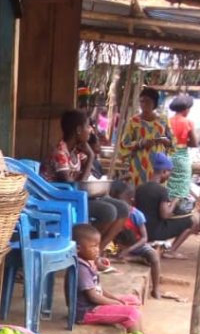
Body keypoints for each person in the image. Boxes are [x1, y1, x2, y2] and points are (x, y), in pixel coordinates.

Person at [41, 109, 129, 254]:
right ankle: (83, 250)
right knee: (108, 212)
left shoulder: (76, 151)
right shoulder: (60, 152)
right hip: (59, 199)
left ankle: (96, 253)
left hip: (75, 196)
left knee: (123, 208)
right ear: (78, 130)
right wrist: (91, 157)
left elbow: (86, 177)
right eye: (88, 126)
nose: (91, 131)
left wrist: (89, 157)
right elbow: (73, 186)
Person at [73, 223, 143, 332]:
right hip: (87, 312)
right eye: (93, 246)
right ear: (78, 248)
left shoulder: (89, 262)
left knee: (133, 300)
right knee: (131, 313)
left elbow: (98, 289)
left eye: (98, 245)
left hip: (94, 304)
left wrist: (115, 298)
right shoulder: (82, 269)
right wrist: (116, 304)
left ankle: (131, 326)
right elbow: (93, 297)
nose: (97, 250)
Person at [135, 151, 200, 259]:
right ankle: (171, 251)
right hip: (155, 232)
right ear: (164, 171)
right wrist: (175, 201)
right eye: (169, 172)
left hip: (142, 230)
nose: (169, 175)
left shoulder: (140, 188)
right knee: (191, 222)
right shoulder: (162, 191)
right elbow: (165, 215)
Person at [110, 180, 162, 299]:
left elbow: (144, 238)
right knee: (108, 257)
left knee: (154, 257)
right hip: (119, 246)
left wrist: (128, 250)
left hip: (137, 246)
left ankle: (156, 288)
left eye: (119, 200)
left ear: (130, 200)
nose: (117, 203)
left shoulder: (136, 215)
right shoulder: (113, 213)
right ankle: (135, 259)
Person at [119, 86, 175, 186]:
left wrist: (164, 140)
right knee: (138, 194)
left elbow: (172, 141)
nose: (144, 105)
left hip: (158, 164)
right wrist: (140, 143)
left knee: (155, 194)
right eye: (141, 101)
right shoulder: (134, 121)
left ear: (154, 103)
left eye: (147, 102)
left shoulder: (163, 120)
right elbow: (124, 144)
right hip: (139, 164)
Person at [166, 93, 199, 212]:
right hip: (181, 156)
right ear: (186, 109)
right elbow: (195, 143)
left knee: (168, 184)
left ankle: (166, 208)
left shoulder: (167, 121)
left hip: (168, 155)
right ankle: (179, 212)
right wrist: (186, 142)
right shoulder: (188, 122)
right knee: (181, 186)